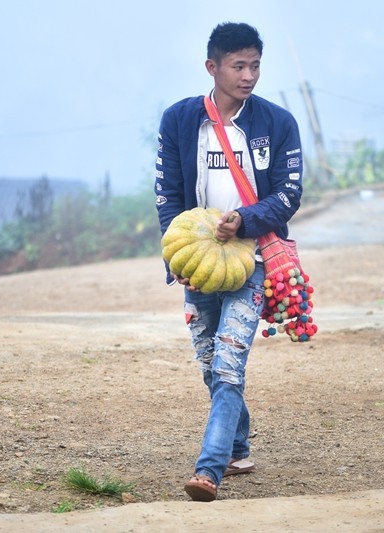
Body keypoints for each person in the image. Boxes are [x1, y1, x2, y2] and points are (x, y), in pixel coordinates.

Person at [154, 21, 304, 502]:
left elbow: (289, 194)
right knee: (209, 365)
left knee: (227, 364)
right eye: (238, 66)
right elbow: (167, 196)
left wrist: (244, 220)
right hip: (198, 264)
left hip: (252, 261)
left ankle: (209, 469)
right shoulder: (180, 121)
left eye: (255, 65)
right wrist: (178, 256)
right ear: (212, 67)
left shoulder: (278, 123)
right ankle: (238, 446)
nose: (249, 76)